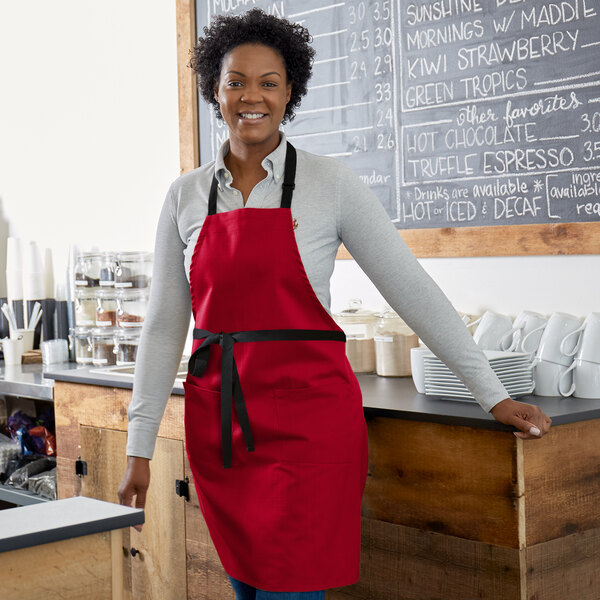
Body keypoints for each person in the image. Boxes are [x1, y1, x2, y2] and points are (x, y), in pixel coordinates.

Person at [117, 8, 551, 600]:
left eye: (269, 82)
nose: (252, 96)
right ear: (214, 90)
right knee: (247, 589)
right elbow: (166, 325)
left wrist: (491, 393)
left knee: (292, 590)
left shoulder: (332, 184)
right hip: (222, 430)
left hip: (310, 431)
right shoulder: (185, 195)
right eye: (236, 81)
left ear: (290, 92)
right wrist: (138, 446)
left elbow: (411, 290)